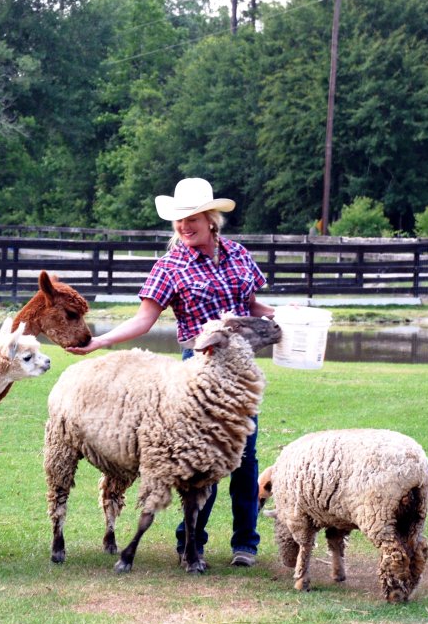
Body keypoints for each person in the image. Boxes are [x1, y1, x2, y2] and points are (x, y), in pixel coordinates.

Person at [67, 177, 274, 568]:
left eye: (192, 218)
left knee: (243, 456)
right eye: (179, 220)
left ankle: (245, 543)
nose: (184, 226)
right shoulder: (171, 266)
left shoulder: (239, 255)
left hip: (239, 373)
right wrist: (99, 342)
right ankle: (191, 542)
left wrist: (285, 316)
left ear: (211, 218)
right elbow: (144, 319)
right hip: (196, 371)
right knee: (196, 459)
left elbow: (252, 307)